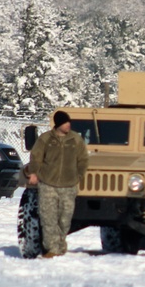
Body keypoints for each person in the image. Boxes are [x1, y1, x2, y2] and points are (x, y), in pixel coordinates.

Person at [24, 109, 89, 259]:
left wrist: (79, 175)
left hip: (69, 185)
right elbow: (36, 157)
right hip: (48, 184)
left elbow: (83, 159)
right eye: (65, 123)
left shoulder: (76, 140)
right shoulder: (45, 139)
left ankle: (60, 245)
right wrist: (33, 173)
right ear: (58, 124)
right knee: (49, 218)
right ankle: (52, 249)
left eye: (69, 123)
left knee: (65, 219)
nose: (68, 125)